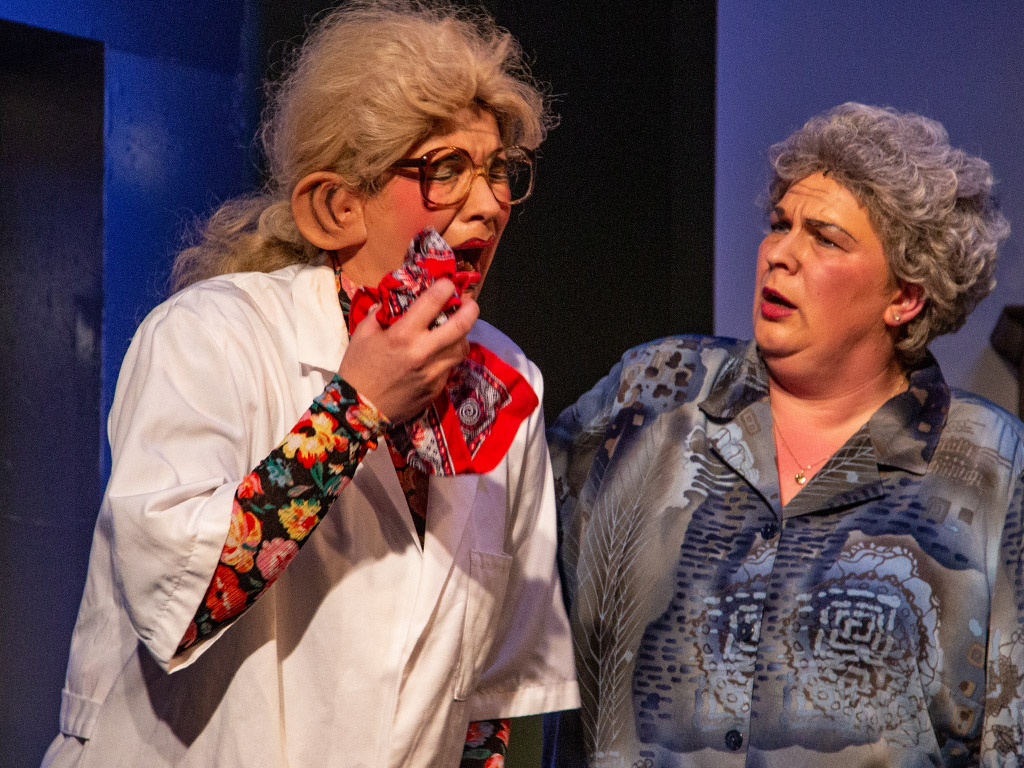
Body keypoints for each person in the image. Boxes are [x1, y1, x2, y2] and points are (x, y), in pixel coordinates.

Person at [42, 3, 578, 767]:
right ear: (336, 206)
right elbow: (180, 604)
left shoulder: (504, 382)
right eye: (446, 170)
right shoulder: (208, 337)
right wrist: (356, 409)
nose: (490, 203)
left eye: (498, 171)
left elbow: (489, 706)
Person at [546, 102, 1022, 767]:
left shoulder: (994, 468)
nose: (780, 254)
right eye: (779, 225)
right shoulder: (654, 394)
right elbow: (495, 553)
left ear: (905, 297)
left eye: (824, 238)